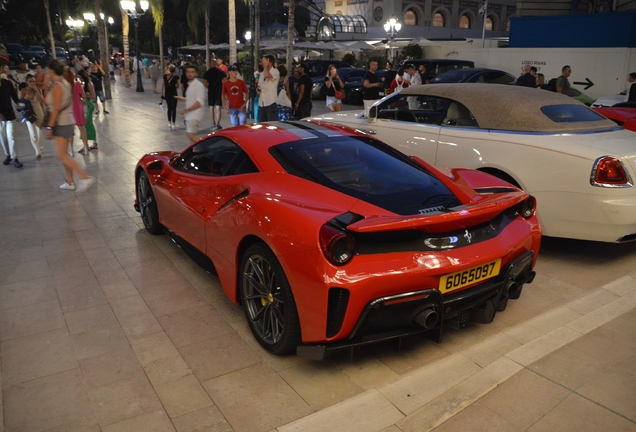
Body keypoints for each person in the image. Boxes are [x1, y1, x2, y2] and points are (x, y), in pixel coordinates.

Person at [45, 59, 95, 192]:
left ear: (51, 71)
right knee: (64, 153)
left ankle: (84, 178)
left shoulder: (57, 86)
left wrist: (49, 127)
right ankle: (70, 181)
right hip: (68, 121)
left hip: (61, 123)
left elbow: (55, 109)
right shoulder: (66, 83)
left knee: (61, 155)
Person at [0, 57, 22, 168]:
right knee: (3, 138)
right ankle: (8, 155)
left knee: (11, 136)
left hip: (9, 114)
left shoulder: (7, 83)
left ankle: (15, 158)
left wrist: (23, 105)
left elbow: (15, 98)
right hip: (0, 118)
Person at [177, 64, 206, 143]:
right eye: (188, 72)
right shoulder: (190, 85)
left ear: (196, 74)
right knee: (191, 138)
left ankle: (205, 147)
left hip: (194, 115)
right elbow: (194, 98)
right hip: (190, 115)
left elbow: (199, 102)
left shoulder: (198, 85)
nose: (190, 74)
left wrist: (187, 110)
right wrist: (185, 99)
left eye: (192, 72)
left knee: (191, 135)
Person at [21, 74, 45, 158]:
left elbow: (42, 101)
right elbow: (20, 104)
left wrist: (37, 91)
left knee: (39, 130)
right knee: (32, 132)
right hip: (29, 112)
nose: (32, 83)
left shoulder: (38, 90)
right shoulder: (24, 91)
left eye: (34, 81)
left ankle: (40, 148)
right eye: (30, 81)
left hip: (38, 110)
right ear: (27, 82)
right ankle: (37, 151)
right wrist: (25, 99)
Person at [203, 59, 226, 130]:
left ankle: (212, 122)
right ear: (216, 64)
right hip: (218, 91)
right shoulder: (220, 72)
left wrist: (209, 87)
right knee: (218, 108)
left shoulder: (207, 72)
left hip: (211, 91)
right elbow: (225, 81)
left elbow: (205, 83)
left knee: (211, 107)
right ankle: (217, 123)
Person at [257, 55, 280, 122]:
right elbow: (259, 85)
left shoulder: (275, 72)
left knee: (272, 124)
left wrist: (266, 66)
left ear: (269, 62)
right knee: (261, 125)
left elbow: (267, 75)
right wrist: (258, 89)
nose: (262, 63)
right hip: (262, 103)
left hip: (271, 102)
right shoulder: (262, 74)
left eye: (264, 61)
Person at [78, 70, 97, 151]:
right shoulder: (83, 84)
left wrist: (84, 96)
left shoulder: (89, 84)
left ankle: (88, 144)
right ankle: (90, 143)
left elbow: (93, 96)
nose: (79, 78)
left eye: (80, 77)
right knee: (88, 124)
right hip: (85, 104)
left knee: (86, 124)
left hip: (89, 105)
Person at [162, 64, 180, 129]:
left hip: (167, 94)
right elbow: (178, 86)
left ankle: (169, 122)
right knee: (173, 108)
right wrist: (173, 87)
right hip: (174, 94)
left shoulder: (165, 76)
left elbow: (162, 85)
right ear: (174, 71)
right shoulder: (175, 77)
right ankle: (173, 123)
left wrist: (161, 93)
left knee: (169, 108)